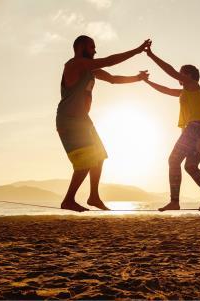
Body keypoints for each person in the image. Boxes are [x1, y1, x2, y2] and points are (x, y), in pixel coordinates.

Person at [57, 35, 150, 212]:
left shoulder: (90, 70)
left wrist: (137, 78)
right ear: (81, 47)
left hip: (83, 121)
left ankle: (93, 197)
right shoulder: (75, 64)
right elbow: (109, 61)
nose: (95, 51)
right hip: (69, 120)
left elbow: (113, 79)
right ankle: (68, 200)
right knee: (86, 161)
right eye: (92, 47)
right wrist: (137, 50)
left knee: (99, 157)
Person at [139, 41, 200, 211]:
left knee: (173, 160)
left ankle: (174, 202)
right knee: (190, 166)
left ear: (190, 77)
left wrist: (151, 55)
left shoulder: (193, 86)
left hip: (196, 128)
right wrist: (147, 82)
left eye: (182, 74)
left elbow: (170, 71)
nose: (179, 76)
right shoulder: (186, 92)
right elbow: (165, 90)